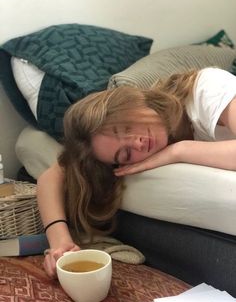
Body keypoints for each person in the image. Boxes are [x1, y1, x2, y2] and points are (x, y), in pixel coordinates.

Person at [37, 67, 236, 278]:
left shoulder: (206, 87)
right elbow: (51, 176)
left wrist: (179, 151)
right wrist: (60, 242)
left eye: (126, 128)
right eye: (125, 154)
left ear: (129, 103)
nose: (138, 143)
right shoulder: (103, 151)